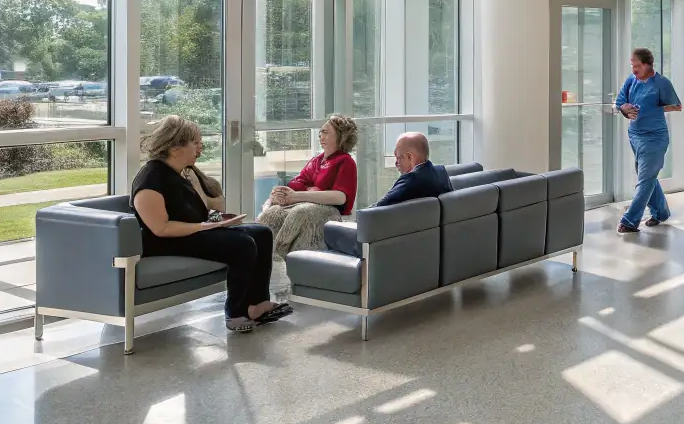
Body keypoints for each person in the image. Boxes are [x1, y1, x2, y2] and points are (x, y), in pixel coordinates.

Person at [131, 116, 290, 333]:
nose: (200, 148)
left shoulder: (179, 174)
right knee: (242, 244)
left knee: (261, 233)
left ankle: (257, 304)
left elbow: (198, 209)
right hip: (166, 241)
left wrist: (212, 222)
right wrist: (204, 227)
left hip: (192, 232)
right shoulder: (151, 179)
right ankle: (235, 312)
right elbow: (161, 228)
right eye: (195, 143)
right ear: (176, 148)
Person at [255, 114, 358, 258]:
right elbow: (295, 185)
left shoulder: (346, 162)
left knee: (301, 212)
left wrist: (298, 196)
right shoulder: (317, 161)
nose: (320, 136)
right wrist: (272, 200)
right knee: (273, 213)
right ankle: (256, 255)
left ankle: (278, 253)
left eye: (326, 132)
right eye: (320, 132)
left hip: (330, 211)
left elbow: (340, 197)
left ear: (341, 137)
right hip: (304, 204)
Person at [615, 47, 682, 234]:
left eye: (636, 66)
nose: (633, 70)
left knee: (645, 179)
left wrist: (653, 109)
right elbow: (619, 102)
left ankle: (629, 221)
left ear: (647, 65)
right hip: (635, 136)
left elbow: (677, 106)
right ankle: (660, 212)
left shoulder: (661, 83)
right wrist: (625, 108)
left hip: (655, 138)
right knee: (648, 177)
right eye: (632, 66)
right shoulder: (631, 80)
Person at [377, 131, 452, 206]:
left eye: (399, 158)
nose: (396, 163)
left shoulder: (408, 181)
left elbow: (374, 211)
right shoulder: (441, 172)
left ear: (410, 157)